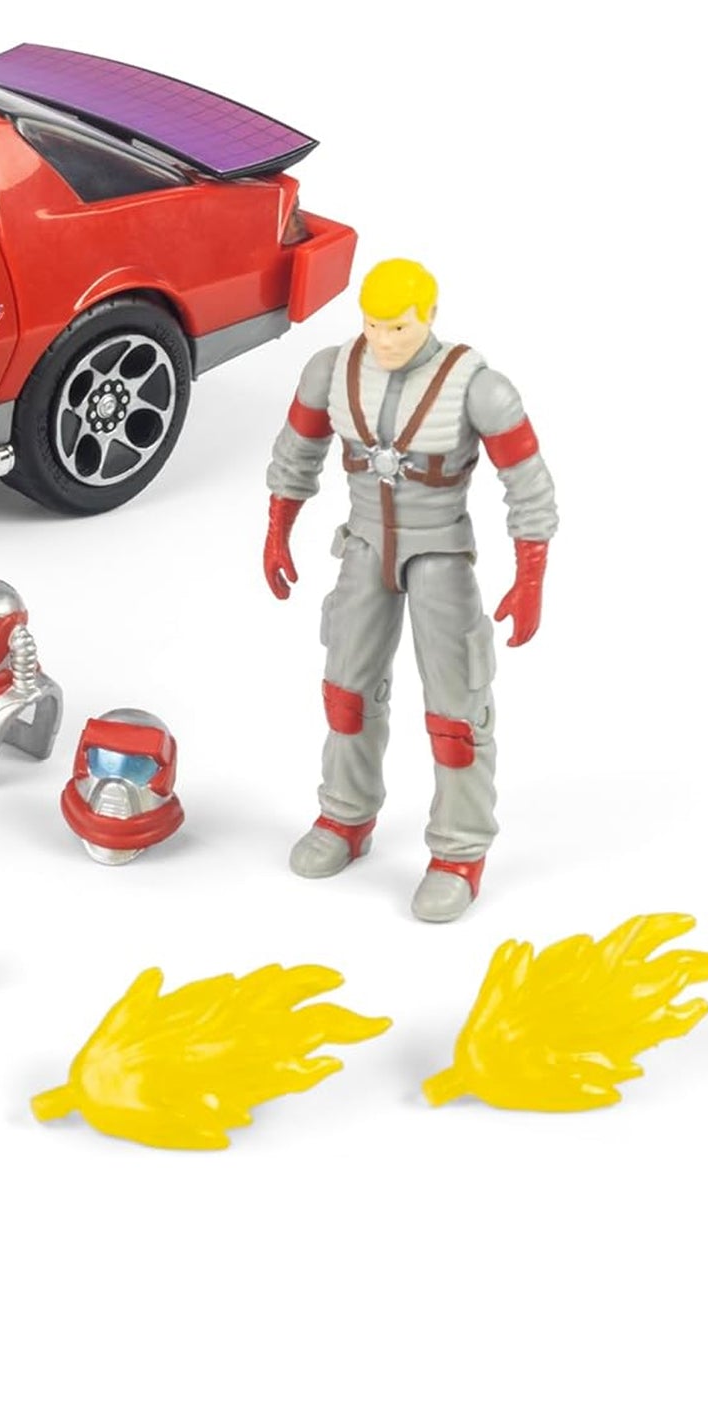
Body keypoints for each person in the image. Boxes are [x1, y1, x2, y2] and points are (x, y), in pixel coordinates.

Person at [262, 257, 557, 921]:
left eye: (398, 326)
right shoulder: (332, 371)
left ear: (428, 316)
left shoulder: (479, 388)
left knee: (457, 713)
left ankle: (460, 850)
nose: (384, 340)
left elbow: (528, 483)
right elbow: (297, 452)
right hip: (364, 544)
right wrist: (279, 529)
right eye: (373, 325)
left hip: (440, 553)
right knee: (345, 693)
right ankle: (345, 815)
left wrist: (530, 574)